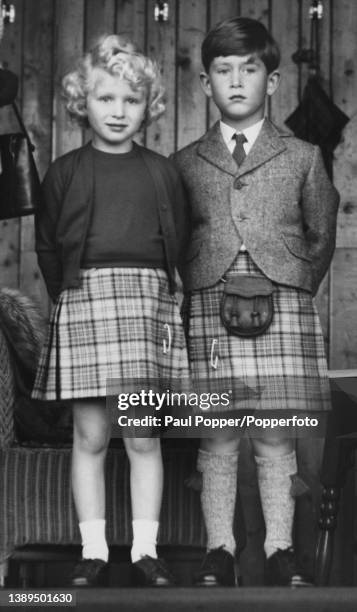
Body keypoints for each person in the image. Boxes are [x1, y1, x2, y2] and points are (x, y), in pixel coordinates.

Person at [173, 17, 339, 587]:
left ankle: (279, 549)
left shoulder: (303, 155)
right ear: (204, 83)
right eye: (223, 71)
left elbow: (322, 237)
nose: (236, 81)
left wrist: (291, 287)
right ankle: (218, 548)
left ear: (271, 81)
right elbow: (175, 241)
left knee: (274, 432)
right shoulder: (185, 162)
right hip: (208, 307)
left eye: (250, 70)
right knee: (217, 433)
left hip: (284, 308)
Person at [32, 34, 189, 588]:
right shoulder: (65, 171)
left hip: (147, 308)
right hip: (85, 303)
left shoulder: (164, 172)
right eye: (106, 99)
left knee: (142, 437)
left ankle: (146, 553)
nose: (118, 111)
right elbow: (48, 247)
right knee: (91, 437)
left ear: (149, 107)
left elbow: (183, 245)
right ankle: (93, 551)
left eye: (131, 100)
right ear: (83, 102)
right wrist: (71, 299)